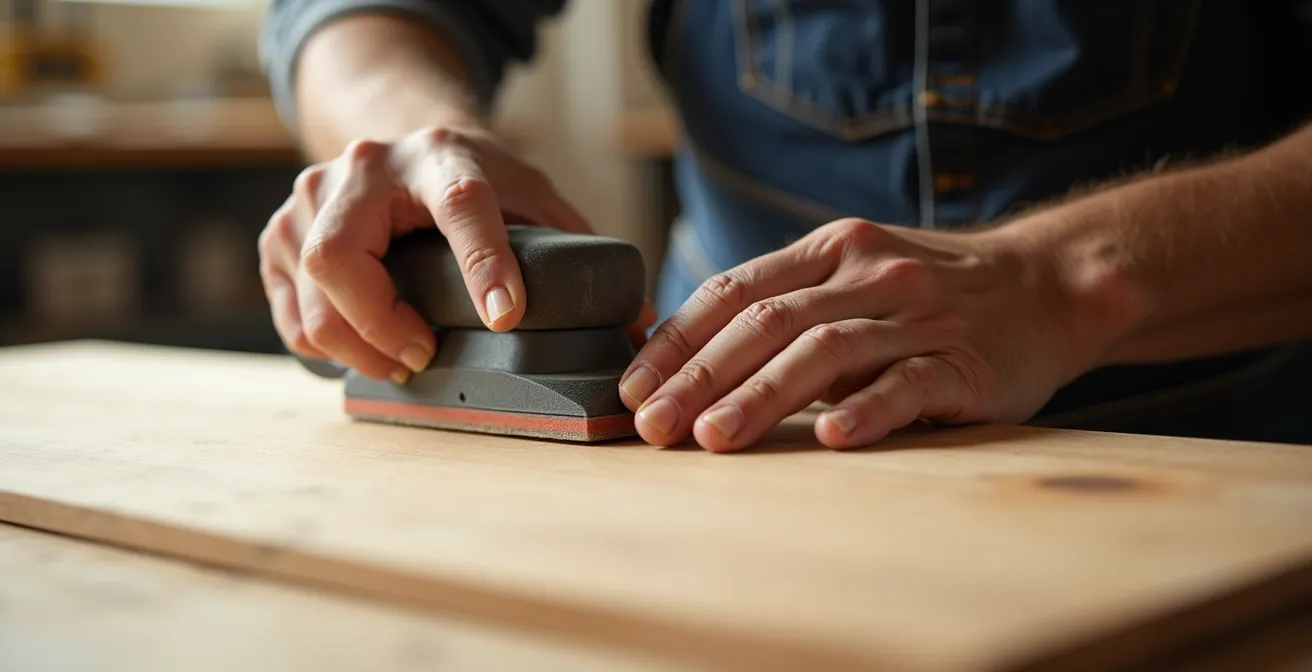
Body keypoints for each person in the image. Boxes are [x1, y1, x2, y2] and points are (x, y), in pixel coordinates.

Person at [256, 1, 1312, 452]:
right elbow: (364, 19)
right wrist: (410, 135)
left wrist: (1057, 279)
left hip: (1218, 441)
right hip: (723, 435)